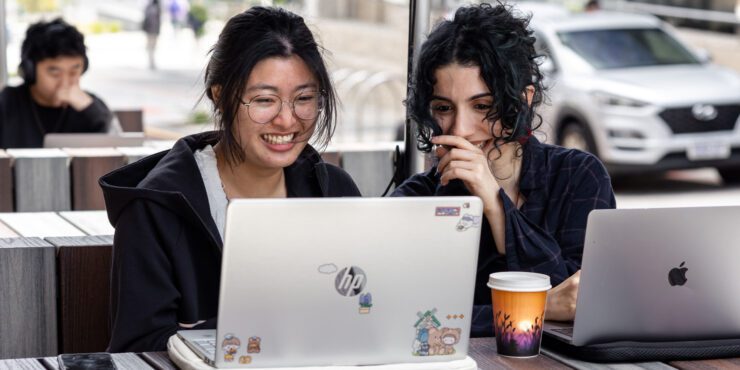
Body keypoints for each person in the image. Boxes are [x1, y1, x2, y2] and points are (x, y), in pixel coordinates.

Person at [100, 6, 361, 352]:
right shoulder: (156, 209)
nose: (287, 120)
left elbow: (365, 312)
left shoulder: (336, 193)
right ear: (220, 95)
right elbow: (138, 350)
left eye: (304, 99)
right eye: (264, 100)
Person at [392, 3, 616, 337]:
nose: (461, 128)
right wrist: (536, 307)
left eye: (482, 106)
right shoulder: (418, 199)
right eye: (443, 108)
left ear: (523, 99)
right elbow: (406, 320)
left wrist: (497, 206)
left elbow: (576, 302)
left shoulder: (577, 176)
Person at [0, 18, 113, 148]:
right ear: (30, 70)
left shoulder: (90, 106)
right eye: (55, 73)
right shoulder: (6, 103)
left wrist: (91, 111)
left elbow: (117, 151)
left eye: (74, 72)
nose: (65, 83)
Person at [143, 0, 162, 70]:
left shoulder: (149, 7)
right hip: (153, 30)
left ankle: (151, 61)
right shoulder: (157, 8)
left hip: (150, 30)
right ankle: (152, 62)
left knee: (150, 46)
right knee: (152, 47)